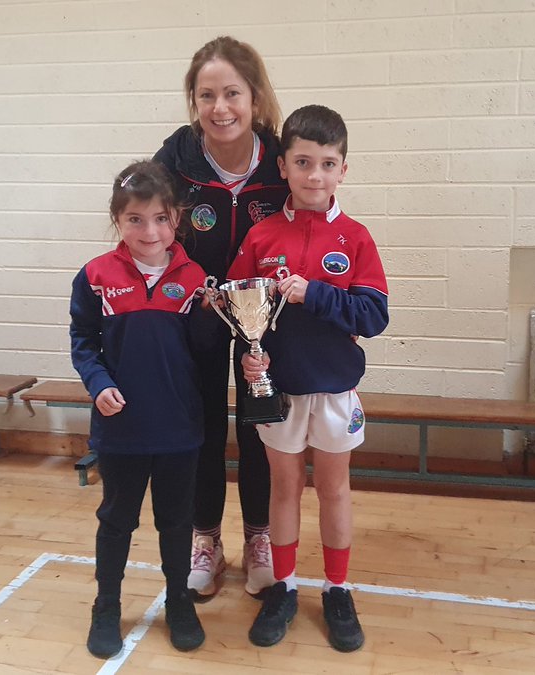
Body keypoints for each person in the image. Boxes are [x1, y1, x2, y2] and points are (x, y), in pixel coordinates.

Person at [227, 105, 389, 653]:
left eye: (327, 163)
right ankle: (286, 587)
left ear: (343, 169)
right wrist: (251, 355)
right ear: (284, 166)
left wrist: (313, 294)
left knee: (335, 490)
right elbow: (238, 308)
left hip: (336, 390)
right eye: (303, 162)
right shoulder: (261, 235)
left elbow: (374, 317)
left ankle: (338, 590)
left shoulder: (356, 238)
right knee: (284, 489)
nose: (314, 175)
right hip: (280, 391)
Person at [154, 36, 290, 600]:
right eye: (206, 94)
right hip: (199, 321)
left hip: (266, 323)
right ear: (193, 101)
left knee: (260, 425)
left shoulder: (282, 160)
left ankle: (260, 535)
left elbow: (308, 230)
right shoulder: (177, 159)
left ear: (254, 97)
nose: (220, 108)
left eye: (232, 93)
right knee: (203, 427)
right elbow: (155, 238)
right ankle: (205, 538)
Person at [69, 160, 210, 658]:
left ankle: (179, 602)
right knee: (116, 520)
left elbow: (206, 352)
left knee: (176, 522)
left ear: (176, 218)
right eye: (135, 219)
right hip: (121, 429)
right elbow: (83, 342)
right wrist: (98, 382)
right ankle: (106, 605)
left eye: (160, 219)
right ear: (117, 220)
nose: (149, 231)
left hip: (179, 428)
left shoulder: (196, 280)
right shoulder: (94, 277)